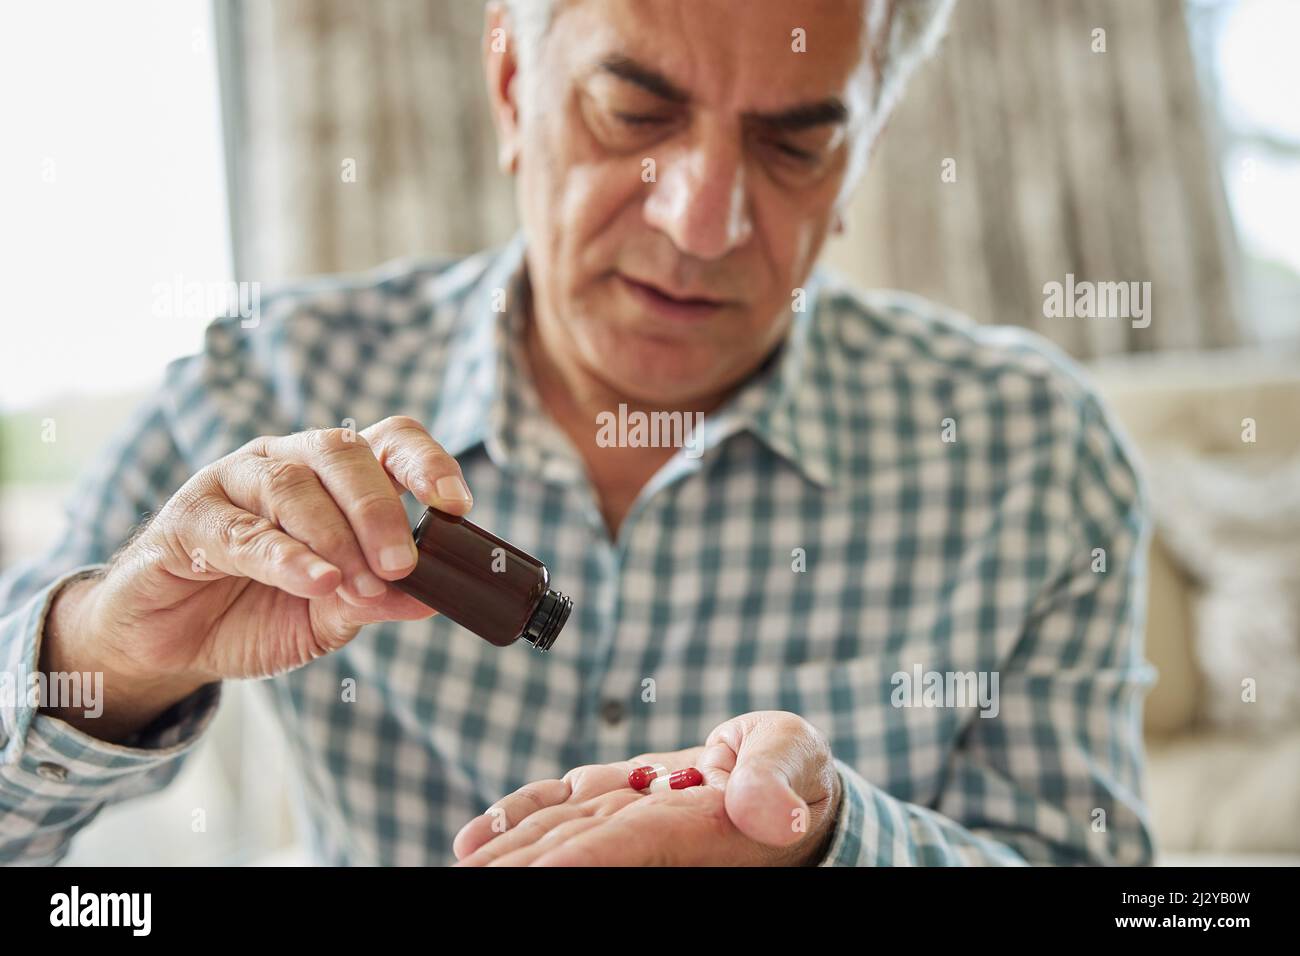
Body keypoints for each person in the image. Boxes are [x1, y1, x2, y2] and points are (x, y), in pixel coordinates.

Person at [0, 0, 1155, 866]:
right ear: (510, 84)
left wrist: (830, 846)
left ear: (860, 155)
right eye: (634, 112)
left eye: (793, 144)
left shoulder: (1031, 450)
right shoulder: (263, 381)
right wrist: (105, 651)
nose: (700, 220)